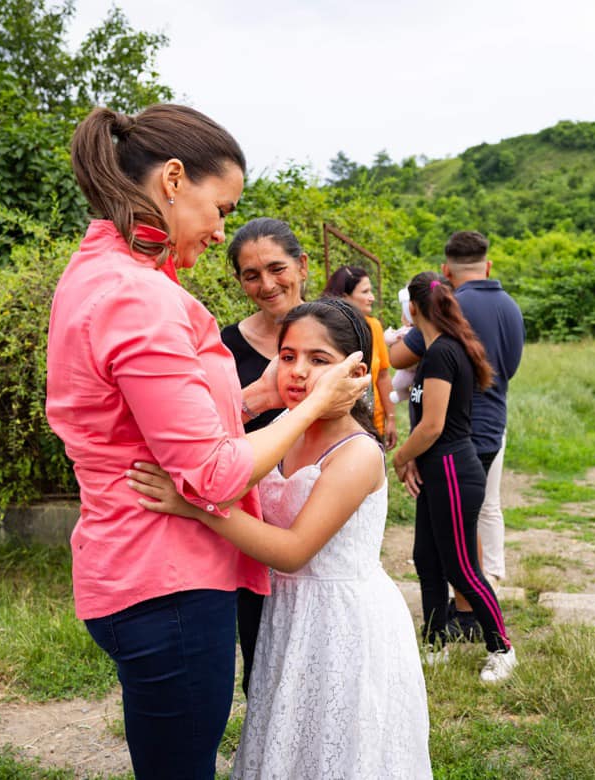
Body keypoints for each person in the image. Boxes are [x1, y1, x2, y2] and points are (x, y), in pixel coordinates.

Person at [44, 103, 368, 779]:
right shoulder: (138, 298)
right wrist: (310, 409)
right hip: (169, 583)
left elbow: (173, 418)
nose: (222, 229)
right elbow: (216, 474)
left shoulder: (98, 276)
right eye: (221, 208)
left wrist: (266, 398)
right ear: (171, 180)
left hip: (132, 567)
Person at [128, 298, 432, 779]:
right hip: (287, 615)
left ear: (355, 371)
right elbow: (221, 464)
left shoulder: (357, 454)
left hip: (344, 620)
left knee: (338, 745)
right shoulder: (279, 430)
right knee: (289, 737)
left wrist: (197, 507)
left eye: (319, 360)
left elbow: (292, 552)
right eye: (288, 356)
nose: (298, 371)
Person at [390, 230, 524, 639]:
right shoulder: (511, 308)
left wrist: (400, 455)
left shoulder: (444, 327)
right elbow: (511, 367)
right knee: (470, 524)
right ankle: (457, 620)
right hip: (487, 428)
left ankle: (478, 622)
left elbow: (397, 358)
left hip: (451, 437)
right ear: (489, 263)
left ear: (446, 272)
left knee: (459, 547)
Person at [222, 217, 310, 696]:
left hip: (320, 504)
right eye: (251, 275)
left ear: (301, 264)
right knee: (262, 652)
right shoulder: (221, 347)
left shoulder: (337, 330)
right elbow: (206, 436)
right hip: (250, 518)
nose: (267, 284)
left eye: (277, 268)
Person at [324, 265, 398, 450]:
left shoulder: (374, 326)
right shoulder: (325, 330)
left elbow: (382, 376)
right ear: (344, 296)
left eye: (371, 291)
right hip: (335, 428)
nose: (371, 297)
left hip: (373, 424)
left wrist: (391, 418)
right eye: (365, 292)